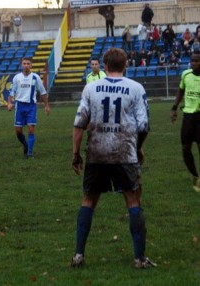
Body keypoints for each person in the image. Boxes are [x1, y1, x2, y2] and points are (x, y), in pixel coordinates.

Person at [71, 48, 155, 269]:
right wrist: (138, 148)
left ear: (105, 66)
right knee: (133, 199)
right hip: (124, 153)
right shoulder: (136, 88)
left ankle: (78, 255)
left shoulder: (91, 88)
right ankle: (139, 259)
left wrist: (76, 154)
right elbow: (144, 125)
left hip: (97, 153)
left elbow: (79, 124)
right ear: (125, 65)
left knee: (88, 200)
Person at [7, 57, 50, 158]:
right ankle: (25, 145)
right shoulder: (16, 78)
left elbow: (43, 92)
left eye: (28, 64)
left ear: (31, 65)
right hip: (20, 106)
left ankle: (30, 154)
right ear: (22, 65)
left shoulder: (36, 77)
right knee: (18, 131)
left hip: (31, 106)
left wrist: (47, 106)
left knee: (31, 129)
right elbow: (11, 92)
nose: (26, 65)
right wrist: (9, 103)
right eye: (24, 63)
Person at [170, 52, 200, 191]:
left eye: (197, 61)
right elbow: (181, 91)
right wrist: (174, 108)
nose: (194, 63)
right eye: (192, 61)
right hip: (188, 116)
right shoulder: (186, 74)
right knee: (185, 148)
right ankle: (195, 175)